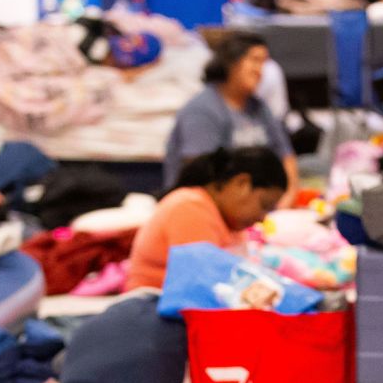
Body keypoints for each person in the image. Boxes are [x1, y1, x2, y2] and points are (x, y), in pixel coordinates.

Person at [125, 146, 288, 291]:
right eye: (264, 205)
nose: (262, 218)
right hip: (152, 306)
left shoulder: (229, 220)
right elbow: (203, 284)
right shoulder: (189, 206)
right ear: (242, 183)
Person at [164, 33, 299, 204]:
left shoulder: (259, 107)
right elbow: (201, 178)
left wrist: (283, 201)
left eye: (264, 63)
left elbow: (286, 156)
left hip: (252, 209)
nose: (260, 71)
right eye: (254, 61)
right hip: (202, 208)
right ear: (231, 62)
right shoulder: (202, 110)